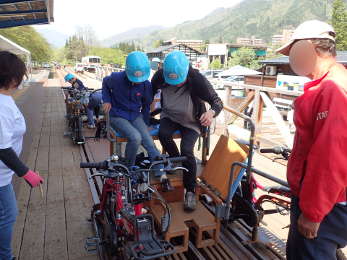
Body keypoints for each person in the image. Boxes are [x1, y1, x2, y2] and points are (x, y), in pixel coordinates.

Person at [276, 20, 347, 259]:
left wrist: (313, 213)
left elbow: (330, 156)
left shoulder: (332, 90)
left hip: (325, 205)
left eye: (293, 52)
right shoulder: (329, 84)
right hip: (324, 199)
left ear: (309, 47)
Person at [151, 51, 223, 211]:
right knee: (163, 134)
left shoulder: (197, 79)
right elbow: (149, 95)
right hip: (169, 115)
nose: (175, 83)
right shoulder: (160, 76)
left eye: (179, 81)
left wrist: (210, 113)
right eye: (172, 80)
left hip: (192, 121)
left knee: (187, 150)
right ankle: (176, 161)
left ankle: (190, 191)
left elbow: (217, 101)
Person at [102, 51, 171, 190]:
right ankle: (128, 169)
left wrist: (145, 124)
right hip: (117, 115)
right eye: (134, 78)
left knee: (148, 141)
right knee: (135, 137)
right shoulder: (115, 78)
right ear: (128, 71)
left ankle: (160, 173)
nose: (136, 81)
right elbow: (105, 84)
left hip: (135, 115)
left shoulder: (146, 85)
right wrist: (107, 100)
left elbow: (146, 106)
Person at [0, 51, 44, 259]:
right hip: (0, 177)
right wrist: (26, 173)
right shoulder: (1, 105)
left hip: (4, 175)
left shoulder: (3, 100)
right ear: (12, 78)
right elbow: (2, 148)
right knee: (8, 215)